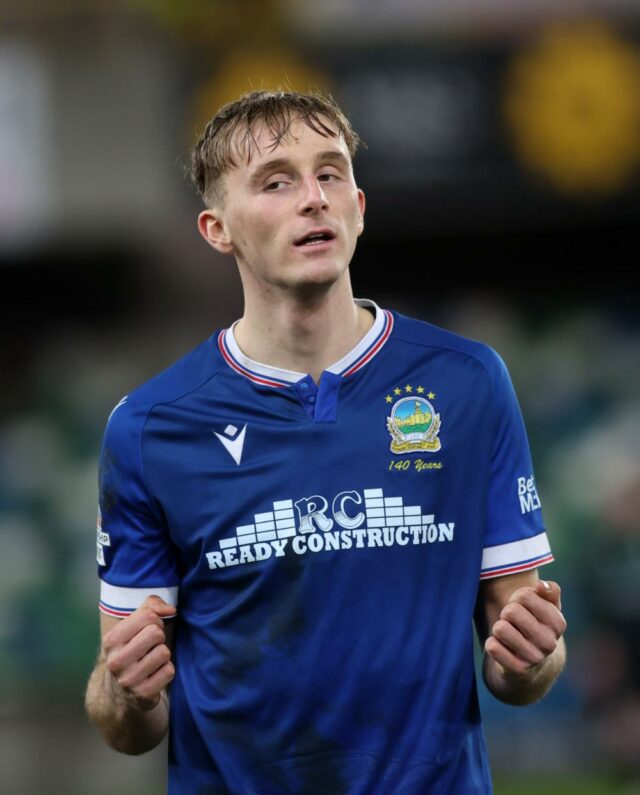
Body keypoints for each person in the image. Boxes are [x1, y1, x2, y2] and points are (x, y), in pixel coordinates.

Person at [85, 89, 567, 794]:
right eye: (276, 182)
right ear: (217, 229)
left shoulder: (468, 383)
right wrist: (125, 690)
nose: (313, 198)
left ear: (358, 208)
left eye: (330, 173)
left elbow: (518, 668)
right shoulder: (149, 427)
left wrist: (533, 657)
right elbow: (127, 720)